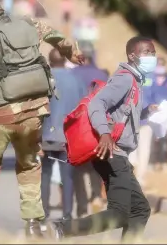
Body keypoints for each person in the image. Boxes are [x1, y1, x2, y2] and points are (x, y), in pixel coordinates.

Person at [0, 0, 83, 240]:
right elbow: (54, 34)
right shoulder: (27, 24)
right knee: (29, 166)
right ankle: (34, 226)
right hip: (34, 112)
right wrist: (72, 53)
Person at [49, 36, 159, 242]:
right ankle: (62, 229)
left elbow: (121, 115)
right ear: (132, 56)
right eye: (146, 52)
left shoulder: (135, 79)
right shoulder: (125, 78)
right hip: (112, 152)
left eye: (153, 52)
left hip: (115, 152)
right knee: (120, 212)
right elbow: (97, 104)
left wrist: (144, 113)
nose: (151, 57)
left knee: (140, 210)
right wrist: (104, 133)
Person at [40, 48, 87, 229]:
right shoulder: (76, 79)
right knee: (67, 177)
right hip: (69, 137)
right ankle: (67, 217)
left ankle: (43, 217)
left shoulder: (44, 80)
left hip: (46, 135)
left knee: (45, 175)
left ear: (50, 62)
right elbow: (84, 106)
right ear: (66, 60)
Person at [71, 48, 109, 216]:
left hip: (77, 124)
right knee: (96, 162)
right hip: (98, 123)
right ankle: (96, 196)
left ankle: (81, 205)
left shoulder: (72, 74)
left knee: (78, 165)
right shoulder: (102, 74)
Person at [150, 58, 167, 171]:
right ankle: (152, 161)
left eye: (162, 65)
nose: (160, 67)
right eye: (158, 64)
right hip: (152, 111)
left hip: (164, 112)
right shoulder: (150, 80)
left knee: (163, 138)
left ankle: (163, 161)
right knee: (152, 138)